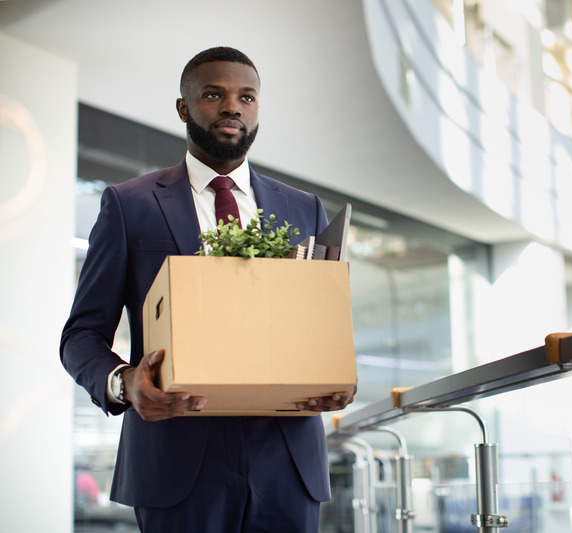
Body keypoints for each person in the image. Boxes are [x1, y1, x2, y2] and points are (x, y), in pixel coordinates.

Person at [60, 46, 356, 532]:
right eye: (214, 95)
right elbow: (81, 336)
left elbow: (322, 320)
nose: (232, 107)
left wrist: (335, 376)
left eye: (247, 97)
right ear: (184, 108)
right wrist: (125, 384)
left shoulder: (306, 209)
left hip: (288, 461)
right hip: (174, 461)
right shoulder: (129, 204)